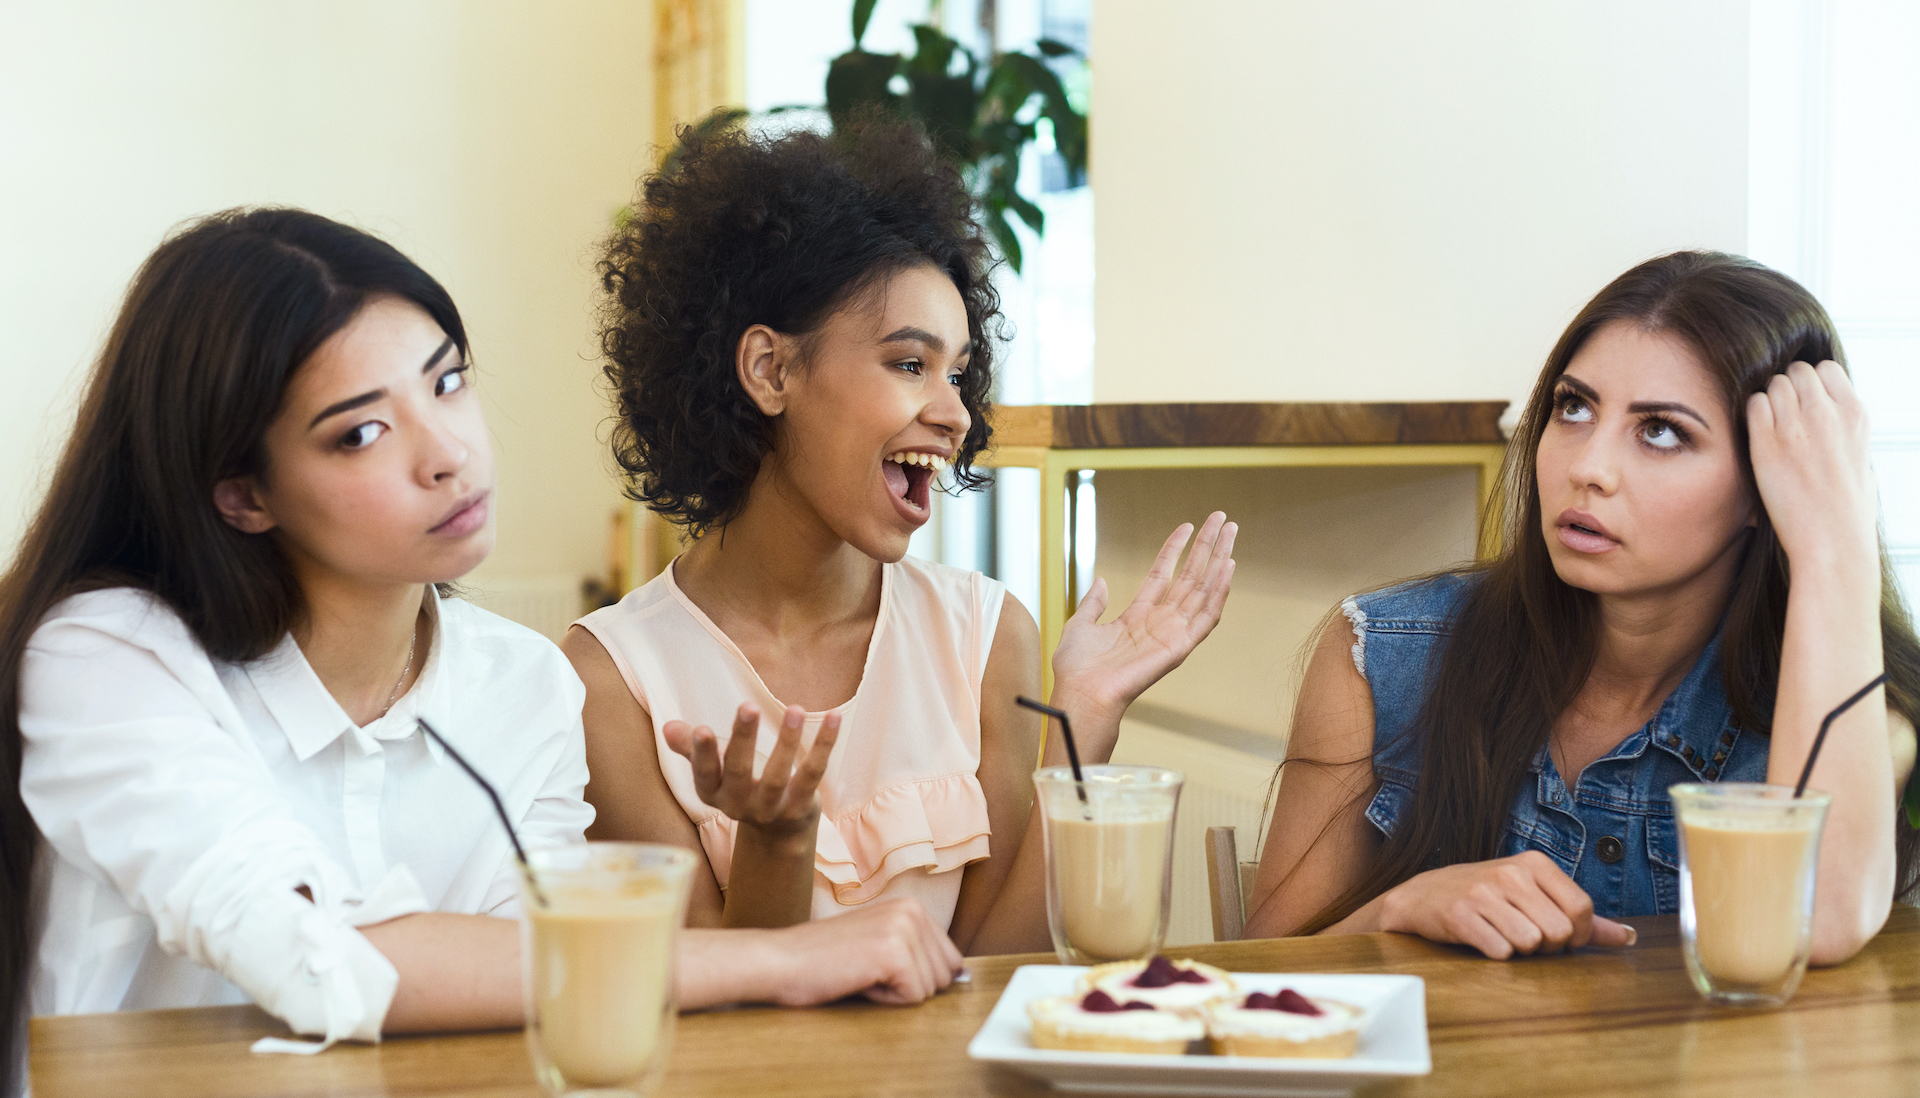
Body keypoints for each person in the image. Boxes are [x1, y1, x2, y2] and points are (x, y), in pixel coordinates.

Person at [0, 208, 969, 1096]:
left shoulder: (523, 680)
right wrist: (792, 957)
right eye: (362, 432)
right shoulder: (108, 656)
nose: (448, 453)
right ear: (243, 494)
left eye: (448, 382)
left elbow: (535, 973)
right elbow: (317, 954)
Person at [567, 117, 1237, 954]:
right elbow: (718, 1013)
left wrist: (1086, 714)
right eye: (910, 364)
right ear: (770, 371)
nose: (957, 414)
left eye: (958, 373)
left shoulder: (986, 637)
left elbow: (994, 968)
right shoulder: (609, 681)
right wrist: (776, 841)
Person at [1245, 251, 1920, 962]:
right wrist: (1400, 906)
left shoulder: (1862, 696)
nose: (1587, 468)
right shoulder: (1384, 654)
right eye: (1574, 407)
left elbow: (1820, 921)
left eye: (1661, 430)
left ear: (1767, 485)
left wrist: (1832, 544)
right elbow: (1258, 972)